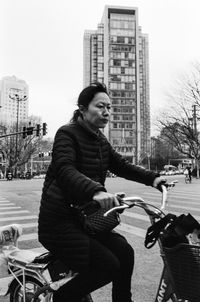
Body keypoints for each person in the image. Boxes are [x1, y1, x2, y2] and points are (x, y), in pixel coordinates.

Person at [38, 82, 166, 302]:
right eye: (100, 106)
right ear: (82, 108)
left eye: (109, 107)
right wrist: (96, 191)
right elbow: (64, 169)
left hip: (86, 221)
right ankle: (61, 299)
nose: (106, 112)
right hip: (58, 224)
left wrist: (153, 178)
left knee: (125, 252)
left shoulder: (99, 140)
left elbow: (121, 166)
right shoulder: (66, 134)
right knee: (108, 265)